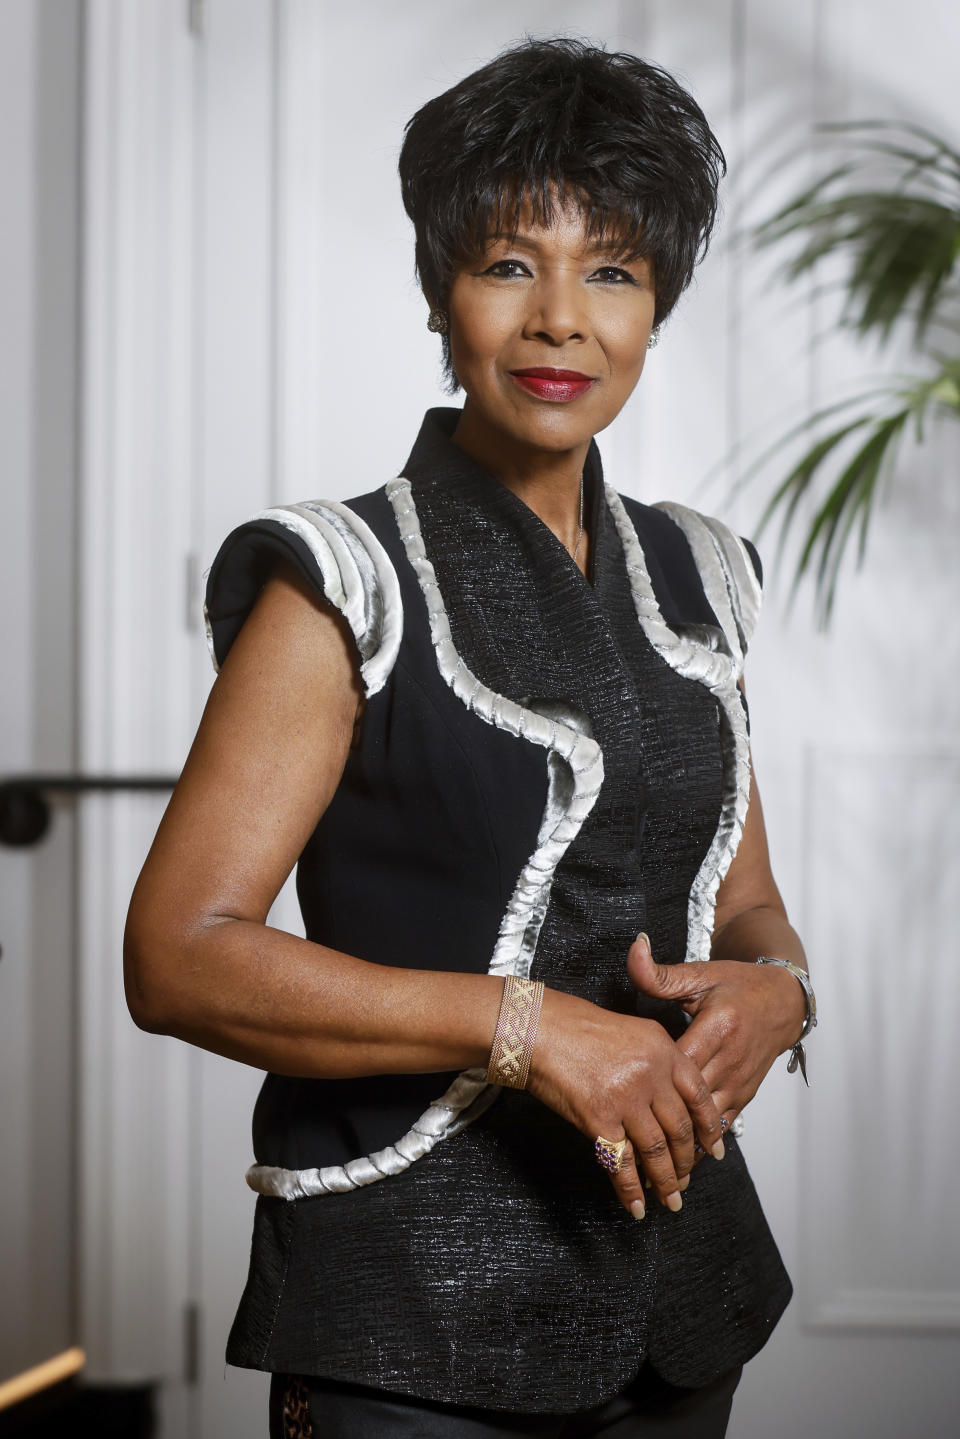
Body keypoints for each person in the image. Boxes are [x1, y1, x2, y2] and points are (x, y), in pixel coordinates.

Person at [124, 36, 815, 1439]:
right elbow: (177, 955)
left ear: (658, 304)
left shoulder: (702, 574)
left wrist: (782, 993)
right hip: (412, 1327)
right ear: (444, 296)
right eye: (509, 265)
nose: (561, 318)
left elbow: (741, 902)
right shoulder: (343, 578)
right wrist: (527, 1030)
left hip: (685, 1309)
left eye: (610, 271)